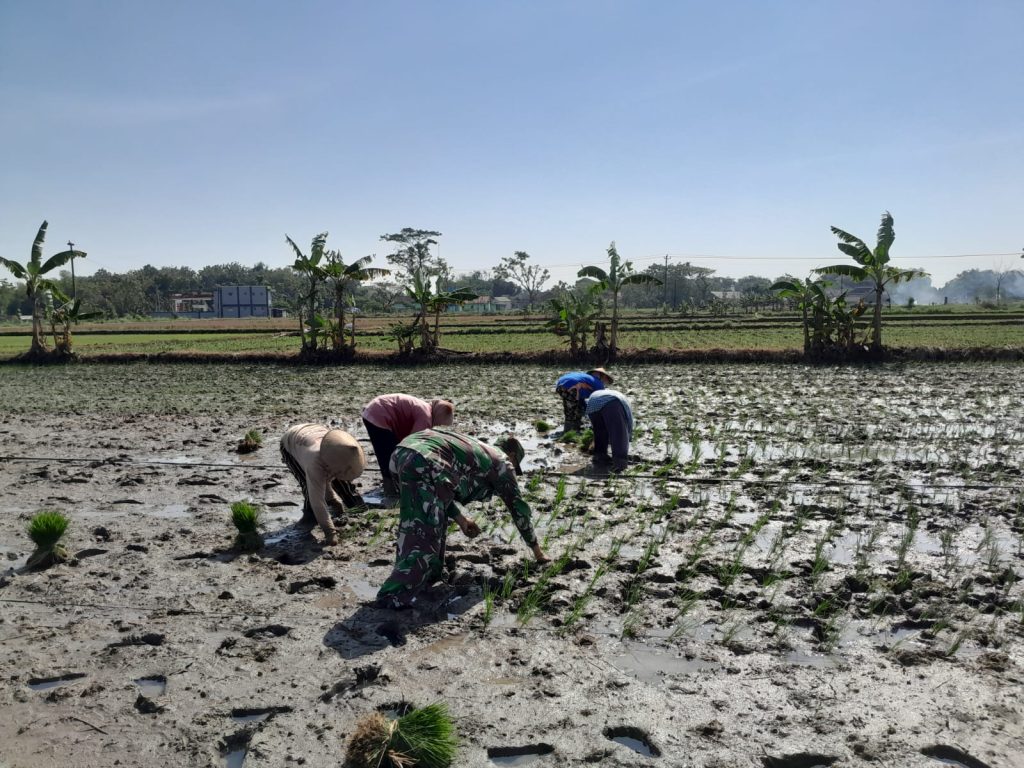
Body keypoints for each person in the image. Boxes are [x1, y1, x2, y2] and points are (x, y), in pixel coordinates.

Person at [375, 429, 549, 609]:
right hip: (424, 462)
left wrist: (462, 520)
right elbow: (518, 509)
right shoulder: (502, 462)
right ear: (511, 455)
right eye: (515, 463)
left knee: (425, 520)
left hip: (401, 453)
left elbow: (441, 492)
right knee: (424, 535)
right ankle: (391, 596)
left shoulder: (476, 448)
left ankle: (430, 576)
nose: (513, 469)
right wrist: (538, 552)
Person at [279, 424, 366, 545]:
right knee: (307, 485)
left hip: (315, 431)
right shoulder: (313, 463)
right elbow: (318, 500)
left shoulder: (338, 448)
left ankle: (356, 506)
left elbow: (329, 477)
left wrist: (334, 501)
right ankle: (310, 517)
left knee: (341, 481)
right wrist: (330, 532)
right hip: (291, 442)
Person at [362, 394, 455, 495]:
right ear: (439, 416)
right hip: (379, 413)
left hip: (373, 410)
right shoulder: (426, 417)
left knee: (389, 451)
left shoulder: (426, 409)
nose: (437, 426)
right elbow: (412, 443)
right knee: (388, 454)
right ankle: (390, 488)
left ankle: (391, 483)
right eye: (440, 423)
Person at [586, 388, 633, 472]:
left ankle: (600, 455)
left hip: (592, 403)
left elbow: (596, 427)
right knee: (618, 433)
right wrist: (627, 435)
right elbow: (625, 429)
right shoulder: (622, 402)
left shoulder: (600, 392)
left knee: (599, 431)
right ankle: (620, 463)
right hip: (612, 403)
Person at [554, 367, 614, 432]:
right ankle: (569, 431)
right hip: (572, 387)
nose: (605, 382)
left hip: (560, 385)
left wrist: (584, 408)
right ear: (603, 376)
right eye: (606, 379)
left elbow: (581, 400)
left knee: (574, 407)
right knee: (571, 411)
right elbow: (600, 403)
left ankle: (575, 427)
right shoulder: (598, 384)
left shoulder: (587, 378)